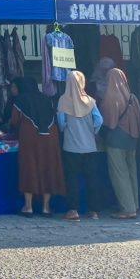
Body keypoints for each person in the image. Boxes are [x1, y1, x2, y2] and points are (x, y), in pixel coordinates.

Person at [8, 77, 65, 216]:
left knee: (30, 168)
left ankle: (28, 207)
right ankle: (46, 207)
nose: (12, 90)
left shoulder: (20, 100)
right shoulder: (47, 99)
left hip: (30, 138)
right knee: (48, 168)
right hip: (50, 138)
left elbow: (14, 121)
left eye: (14, 87)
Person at [57, 70, 103, 221]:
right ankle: (94, 210)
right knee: (92, 178)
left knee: (72, 178)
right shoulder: (90, 101)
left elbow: (62, 123)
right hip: (89, 146)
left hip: (71, 146)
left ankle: (73, 210)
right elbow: (99, 120)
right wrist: (92, 131)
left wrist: (68, 129)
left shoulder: (63, 101)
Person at [99, 68, 140, 219]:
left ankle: (127, 208)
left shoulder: (110, 96)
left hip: (116, 138)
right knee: (131, 172)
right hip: (132, 138)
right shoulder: (132, 96)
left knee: (119, 173)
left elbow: (108, 121)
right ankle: (134, 203)